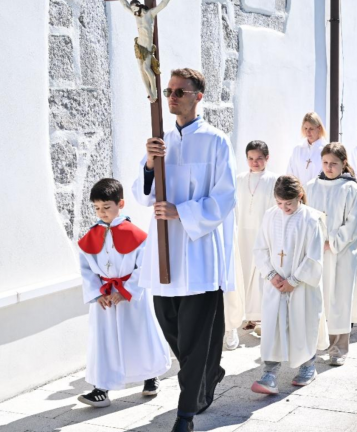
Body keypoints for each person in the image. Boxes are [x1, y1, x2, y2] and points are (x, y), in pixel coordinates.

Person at [133, 68, 236, 432]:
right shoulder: (161, 140)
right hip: (163, 253)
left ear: (198, 96)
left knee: (194, 336)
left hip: (197, 253)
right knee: (171, 327)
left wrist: (182, 212)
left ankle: (185, 414)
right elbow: (142, 194)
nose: (172, 96)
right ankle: (209, 370)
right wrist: (149, 162)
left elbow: (224, 198)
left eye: (180, 90)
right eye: (169, 90)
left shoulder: (216, 141)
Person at [77, 178, 170, 408]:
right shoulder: (91, 236)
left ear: (121, 204)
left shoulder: (136, 236)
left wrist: (126, 290)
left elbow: (145, 266)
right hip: (105, 299)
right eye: (97, 208)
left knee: (138, 336)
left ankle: (150, 377)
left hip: (130, 299)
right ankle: (101, 388)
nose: (102, 212)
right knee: (104, 341)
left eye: (106, 207)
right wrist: (98, 294)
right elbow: (86, 269)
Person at [250, 176, 327, 395]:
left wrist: (293, 281)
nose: (284, 208)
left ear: (299, 196)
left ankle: (308, 366)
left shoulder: (311, 219)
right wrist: (271, 274)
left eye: (288, 204)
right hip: (275, 285)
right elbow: (260, 248)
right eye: (280, 203)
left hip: (301, 286)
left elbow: (313, 257)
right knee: (273, 326)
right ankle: (270, 374)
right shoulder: (270, 215)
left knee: (302, 323)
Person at [305, 143, 357, 366]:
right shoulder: (311, 186)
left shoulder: (351, 189)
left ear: (343, 164)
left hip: (342, 254)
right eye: (325, 163)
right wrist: (314, 241)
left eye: (334, 163)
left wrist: (332, 241)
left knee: (340, 298)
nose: (329, 167)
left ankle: (338, 348)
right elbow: (305, 216)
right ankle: (315, 343)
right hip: (318, 252)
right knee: (318, 299)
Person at [231, 140, 278, 346]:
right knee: (242, 271)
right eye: (250, 158)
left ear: (267, 158)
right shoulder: (240, 179)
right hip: (242, 231)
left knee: (260, 274)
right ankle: (246, 314)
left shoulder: (273, 179)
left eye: (259, 158)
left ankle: (260, 316)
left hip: (262, 232)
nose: (254, 162)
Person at [286, 112, 329, 185]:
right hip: (299, 194)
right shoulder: (297, 149)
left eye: (311, 129)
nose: (308, 132)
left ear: (319, 128)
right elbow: (290, 173)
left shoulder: (327, 150)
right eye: (305, 128)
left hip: (319, 193)